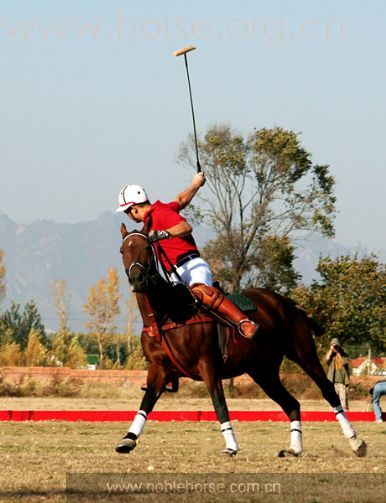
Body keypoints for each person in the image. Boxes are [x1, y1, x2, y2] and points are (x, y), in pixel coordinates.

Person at [116, 172, 259, 339]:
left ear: (133, 209)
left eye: (127, 212)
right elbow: (181, 200)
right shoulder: (161, 211)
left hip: (191, 267)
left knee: (202, 293)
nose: (128, 215)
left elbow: (185, 227)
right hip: (174, 276)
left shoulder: (160, 214)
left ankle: (244, 322)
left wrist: (162, 234)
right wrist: (195, 184)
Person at [326, 338, 351, 411]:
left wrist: (338, 353)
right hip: (332, 382)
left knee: (343, 401)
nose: (335, 347)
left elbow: (344, 362)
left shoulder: (344, 354)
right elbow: (327, 359)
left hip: (342, 382)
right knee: (332, 401)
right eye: (333, 346)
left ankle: (345, 416)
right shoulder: (330, 355)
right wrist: (331, 350)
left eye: (336, 346)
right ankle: (331, 416)